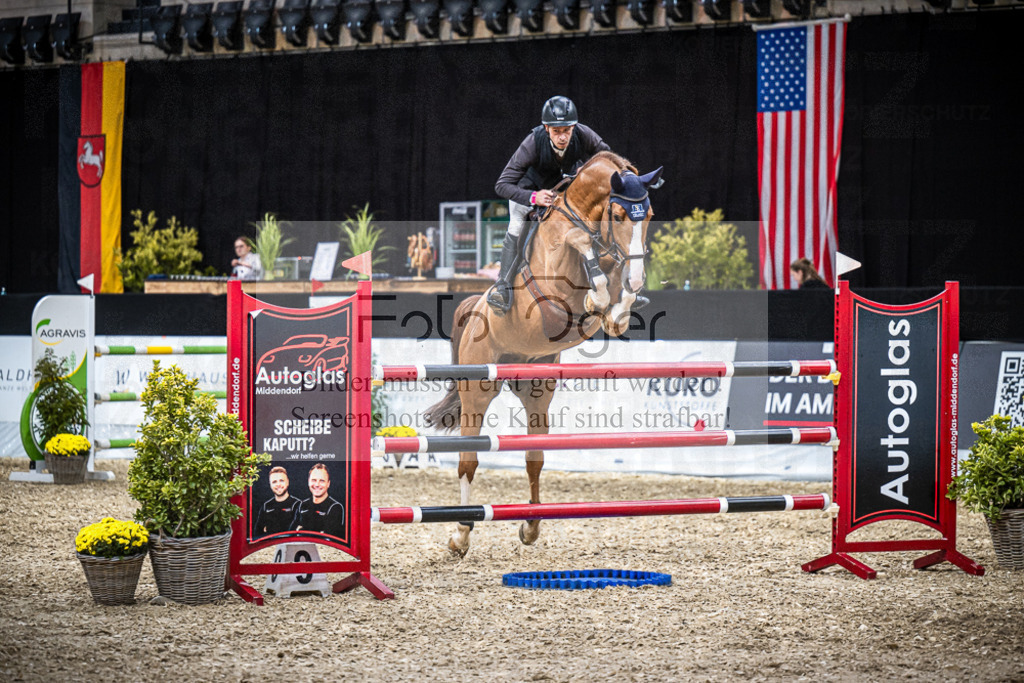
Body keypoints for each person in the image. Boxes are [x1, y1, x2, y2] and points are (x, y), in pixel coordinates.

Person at [488, 96, 611, 312]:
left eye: (566, 130)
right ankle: (502, 287)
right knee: (516, 226)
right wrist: (533, 197)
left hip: (565, 193)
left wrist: (590, 166)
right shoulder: (533, 142)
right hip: (528, 192)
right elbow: (502, 185)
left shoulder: (582, 133)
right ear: (546, 128)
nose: (562, 137)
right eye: (556, 132)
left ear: (573, 126)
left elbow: (607, 157)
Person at [293, 463, 345, 537]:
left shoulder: (335, 508)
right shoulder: (302, 505)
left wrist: (302, 530)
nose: (317, 484)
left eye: (322, 481)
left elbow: (326, 539)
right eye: (314, 480)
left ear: (328, 483)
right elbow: (292, 533)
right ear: (308, 481)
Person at [253, 466, 303, 537]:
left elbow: (298, 531)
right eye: (274, 482)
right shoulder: (266, 506)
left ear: (287, 482)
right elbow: (258, 533)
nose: (278, 484)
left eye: (281, 481)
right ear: (270, 485)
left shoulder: (298, 504)